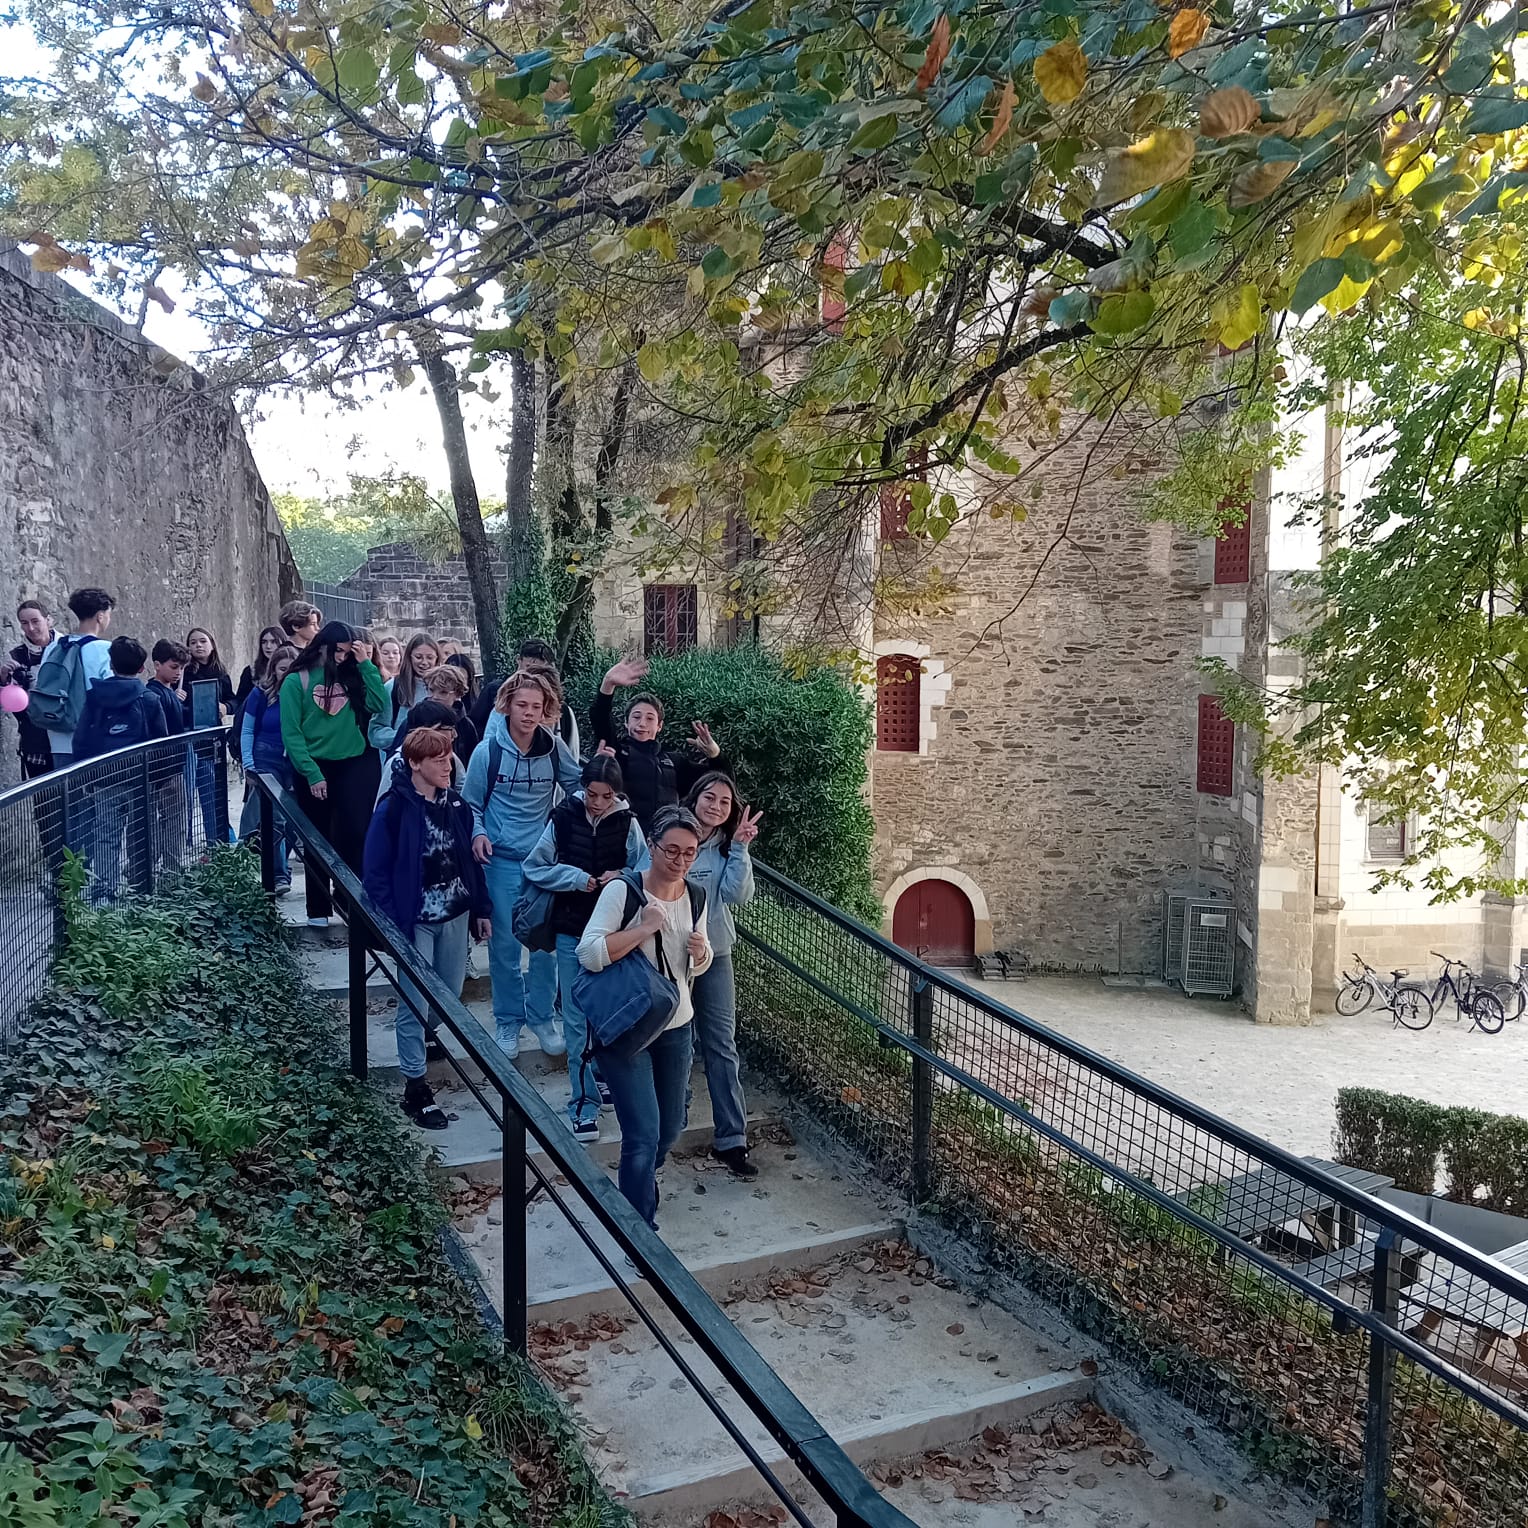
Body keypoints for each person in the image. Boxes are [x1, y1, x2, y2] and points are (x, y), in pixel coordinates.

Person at [576, 806, 712, 1229]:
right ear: (651, 847)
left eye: (690, 853)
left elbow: (700, 961)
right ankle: (638, 1228)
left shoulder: (696, 895)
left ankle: (638, 1185)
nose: (680, 861)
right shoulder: (623, 892)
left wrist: (701, 953)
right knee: (642, 1135)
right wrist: (643, 927)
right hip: (628, 1028)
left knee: (670, 1128)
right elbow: (589, 954)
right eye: (671, 850)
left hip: (676, 1025)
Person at [364, 726, 491, 1131]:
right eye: (437, 759)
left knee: (448, 997)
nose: (448, 765)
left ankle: (420, 1037)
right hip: (414, 920)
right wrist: (393, 924)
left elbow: (468, 862)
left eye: (449, 757)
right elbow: (375, 872)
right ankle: (415, 1088)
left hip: (454, 914)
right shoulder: (393, 808)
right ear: (414, 764)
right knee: (414, 1004)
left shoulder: (456, 805)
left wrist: (480, 909)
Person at [523, 756, 647, 1142]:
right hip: (570, 929)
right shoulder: (562, 817)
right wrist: (575, 879)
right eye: (592, 794)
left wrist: (620, 877)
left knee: (609, 1013)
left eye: (606, 796)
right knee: (576, 1018)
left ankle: (600, 1074)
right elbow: (534, 866)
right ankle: (583, 1104)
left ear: (616, 794)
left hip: (614, 934)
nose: (597, 803)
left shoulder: (629, 824)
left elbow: (644, 868)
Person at [463, 670, 582, 1058]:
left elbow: (578, 786)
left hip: (544, 864)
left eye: (537, 707)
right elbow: (470, 804)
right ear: (507, 707)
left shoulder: (553, 748)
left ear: (547, 710)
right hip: (500, 862)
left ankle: (542, 1018)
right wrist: (478, 832)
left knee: (545, 947)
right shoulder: (487, 751)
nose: (529, 713)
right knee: (505, 948)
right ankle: (508, 1021)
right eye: (522, 706)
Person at [279, 621, 388, 927]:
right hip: (314, 764)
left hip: (354, 762)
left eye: (347, 651)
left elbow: (380, 704)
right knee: (317, 835)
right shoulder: (295, 681)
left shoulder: (354, 674)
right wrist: (312, 774)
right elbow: (292, 733)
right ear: (323, 647)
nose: (341, 657)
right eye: (337, 650)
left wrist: (365, 663)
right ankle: (318, 908)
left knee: (355, 833)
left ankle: (351, 901)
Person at [684, 772, 764, 1179]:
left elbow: (738, 896)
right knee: (674, 1041)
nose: (715, 806)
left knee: (721, 1045)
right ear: (695, 798)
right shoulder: (671, 834)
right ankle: (670, 1122)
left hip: (716, 954)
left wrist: (740, 849)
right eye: (709, 797)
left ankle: (731, 1140)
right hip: (671, 955)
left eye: (725, 802)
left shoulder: (725, 848)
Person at [72, 636, 167, 900]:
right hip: (140, 778)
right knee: (141, 836)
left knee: (106, 835)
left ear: (111, 665)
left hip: (105, 778)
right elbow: (161, 742)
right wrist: (157, 780)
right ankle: (142, 888)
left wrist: (86, 775)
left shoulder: (94, 697)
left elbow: (81, 739)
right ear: (141, 668)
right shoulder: (148, 698)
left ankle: (105, 891)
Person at [590, 656, 723, 832]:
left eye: (650, 718)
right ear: (626, 723)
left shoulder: (674, 763)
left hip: (663, 847)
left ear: (659, 726)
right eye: (636, 717)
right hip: (622, 840)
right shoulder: (616, 753)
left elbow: (719, 781)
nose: (642, 724)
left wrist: (715, 754)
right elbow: (601, 719)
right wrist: (608, 684)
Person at [238, 642, 299, 892]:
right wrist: (249, 764)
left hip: (295, 761)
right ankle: (278, 875)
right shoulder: (261, 693)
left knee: (294, 820)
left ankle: (279, 869)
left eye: (291, 668)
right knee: (274, 818)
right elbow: (248, 729)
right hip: (266, 758)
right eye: (282, 668)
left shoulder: (303, 692)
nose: (286, 673)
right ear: (274, 669)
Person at [36, 587, 115, 771]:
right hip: (92, 738)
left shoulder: (55, 647)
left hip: (57, 735)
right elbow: (111, 694)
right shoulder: (105, 649)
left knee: (67, 796)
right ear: (100, 616)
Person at [469, 637, 580, 757]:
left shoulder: (563, 712)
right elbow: (479, 733)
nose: (533, 677)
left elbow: (571, 756)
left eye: (540, 672)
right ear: (518, 660)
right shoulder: (495, 691)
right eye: (529, 668)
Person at [182, 628, 236, 844]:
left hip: (213, 741)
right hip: (189, 739)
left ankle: (216, 840)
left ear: (212, 644)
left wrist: (226, 707)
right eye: (193, 642)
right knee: (186, 796)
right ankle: (185, 840)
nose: (198, 645)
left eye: (203, 641)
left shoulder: (221, 673)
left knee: (212, 792)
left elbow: (234, 700)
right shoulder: (184, 673)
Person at [145, 639, 190, 874]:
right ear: (157, 664)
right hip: (166, 770)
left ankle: (160, 868)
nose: (178, 672)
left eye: (181, 668)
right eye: (174, 667)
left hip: (170, 768)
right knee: (172, 821)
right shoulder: (155, 694)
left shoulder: (166, 692)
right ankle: (171, 868)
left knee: (166, 820)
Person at [3, 599, 57, 778]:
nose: (31, 628)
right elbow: (13, 706)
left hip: (67, 733)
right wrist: (4, 680)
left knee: (74, 795)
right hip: (36, 738)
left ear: (48, 620)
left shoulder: (67, 649)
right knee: (44, 798)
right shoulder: (18, 655)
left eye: (35, 621)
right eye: (24, 623)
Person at [376, 701, 466, 800]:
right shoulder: (397, 763)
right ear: (432, 730)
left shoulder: (452, 758)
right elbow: (382, 804)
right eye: (450, 729)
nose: (455, 735)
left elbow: (462, 789)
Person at [406, 664, 478, 766]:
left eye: (443, 692)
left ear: (457, 694)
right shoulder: (415, 718)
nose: (435, 697)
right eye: (431, 690)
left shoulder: (465, 725)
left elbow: (473, 761)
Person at [235, 626, 285, 707]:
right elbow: (240, 702)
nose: (268, 646)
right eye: (264, 642)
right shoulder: (251, 671)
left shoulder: (291, 669)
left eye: (273, 642)